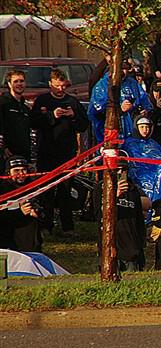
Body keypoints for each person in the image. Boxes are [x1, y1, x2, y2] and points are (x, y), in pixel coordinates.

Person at [30, 68, 90, 234]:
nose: (60, 89)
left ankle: (67, 226)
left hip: (67, 154)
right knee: (46, 191)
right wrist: (52, 115)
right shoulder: (42, 100)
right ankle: (46, 224)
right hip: (46, 152)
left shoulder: (72, 102)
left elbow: (84, 125)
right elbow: (33, 122)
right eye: (57, 86)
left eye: (63, 86)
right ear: (50, 84)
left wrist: (73, 116)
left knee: (66, 190)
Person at [88, 60, 153, 143]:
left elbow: (144, 99)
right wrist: (119, 109)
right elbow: (97, 111)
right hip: (110, 133)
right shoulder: (102, 85)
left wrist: (144, 110)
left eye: (126, 68)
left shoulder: (132, 83)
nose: (123, 71)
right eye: (121, 68)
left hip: (132, 134)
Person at [0, 156, 43, 252]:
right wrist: (20, 212)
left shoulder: (33, 187)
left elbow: (44, 210)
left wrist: (37, 213)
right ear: (8, 172)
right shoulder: (3, 190)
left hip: (27, 236)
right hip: (6, 236)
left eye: (24, 170)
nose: (21, 174)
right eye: (16, 171)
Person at [123, 115, 161, 206]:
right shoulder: (129, 143)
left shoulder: (154, 144)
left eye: (147, 127)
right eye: (142, 127)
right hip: (138, 179)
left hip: (155, 180)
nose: (145, 130)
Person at [0, 70, 32, 163]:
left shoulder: (25, 107)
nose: (19, 84)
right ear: (9, 84)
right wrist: (4, 147)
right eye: (15, 81)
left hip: (24, 153)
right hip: (7, 154)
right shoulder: (2, 103)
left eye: (21, 81)